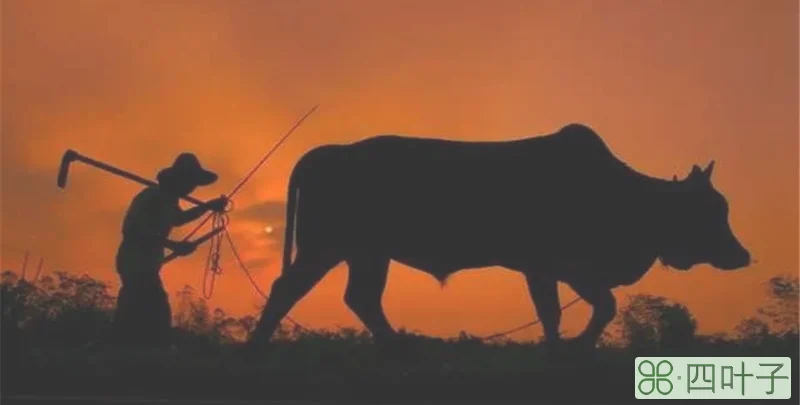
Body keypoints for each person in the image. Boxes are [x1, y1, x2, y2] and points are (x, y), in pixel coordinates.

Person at [110, 152, 227, 348]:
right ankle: (152, 352)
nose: (191, 188)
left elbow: (179, 219)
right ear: (179, 180)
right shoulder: (151, 196)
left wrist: (208, 206)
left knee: (131, 311)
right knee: (157, 311)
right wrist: (173, 246)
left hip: (145, 264)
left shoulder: (168, 200)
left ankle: (120, 348)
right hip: (135, 262)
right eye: (190, 182)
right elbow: (132, 230)